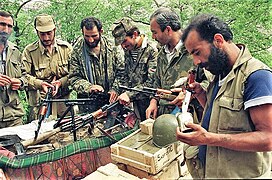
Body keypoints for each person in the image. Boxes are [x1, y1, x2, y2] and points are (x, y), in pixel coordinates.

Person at [176, 14, 272, 178]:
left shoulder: (256, 77)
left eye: (197, 52)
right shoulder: (218, 73)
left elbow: (268, 138)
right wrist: (201, 95)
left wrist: (208, 139)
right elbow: (224, 117)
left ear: (218, 41)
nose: (196, 61)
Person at [146, 7, 203, 120]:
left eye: (155, 32)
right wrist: (154, 101)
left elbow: (210, 82)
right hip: (164, 117)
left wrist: (188, 95)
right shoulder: (162, 54)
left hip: (189, 117)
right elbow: (157, 81)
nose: (153, 37)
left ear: (168, 30)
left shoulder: (194, 50)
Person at [22, 14, 73, 122]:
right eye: (42, 34)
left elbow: (75, 74)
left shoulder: (66, 49)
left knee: (66, 134)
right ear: (37, 32)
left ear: (54, 30)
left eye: (49, 33)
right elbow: (23, 76)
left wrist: (60, 82)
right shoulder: (29, 51)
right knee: (39, 135)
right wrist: (40, 84)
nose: (46, 38)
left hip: (63, 104)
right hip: (39, 104)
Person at [69, 16, 122, 114]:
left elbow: (122, 72)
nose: (90, 40)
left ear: (101, 31)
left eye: (94, 36)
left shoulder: (113, 47)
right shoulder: (76, 51)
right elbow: (73, 78)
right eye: (87, 36)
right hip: (88, 106)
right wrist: (89, 87)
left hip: (112, 103)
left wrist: (115, 89)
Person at [111, 17, 157, 121]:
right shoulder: (128, 51)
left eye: (124, 41)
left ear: (135, 34)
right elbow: (127, 77)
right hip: (136, 104)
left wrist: (129, 95)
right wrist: (118, 91)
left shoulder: (152, 50)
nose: (123, 46)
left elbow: (152, 83)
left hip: (151, 104)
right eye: (120, 43)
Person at [0, 11, 26, 127]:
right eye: (2, 24)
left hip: (14, 117)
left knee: (18, 145)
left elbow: (27, 77)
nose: (5, 29)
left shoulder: (15, 52)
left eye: (9, 26)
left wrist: (20, 82)